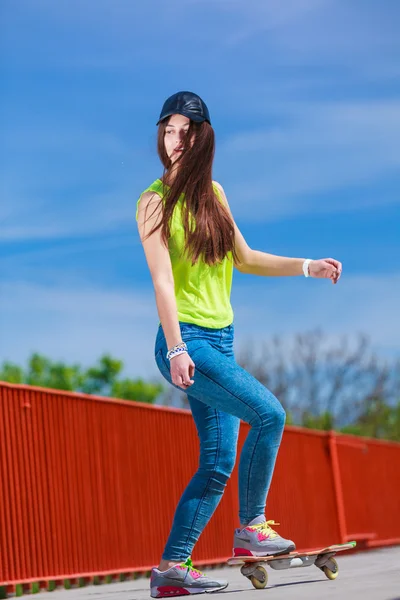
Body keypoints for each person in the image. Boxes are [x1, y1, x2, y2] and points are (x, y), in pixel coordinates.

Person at [136, 91, 342, 598]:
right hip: (186, 342)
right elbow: (163, 282)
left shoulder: (215, 196)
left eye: (187, 130)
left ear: (203, 137)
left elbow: (244, 257)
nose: (176, 139)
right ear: (161, 137)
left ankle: (171, 570)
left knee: (217, 463)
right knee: (270, 414)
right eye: (168, 130)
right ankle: (253, 526)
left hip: (221, 343)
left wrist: (306, 266)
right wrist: (179, 348)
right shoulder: (153, 202)